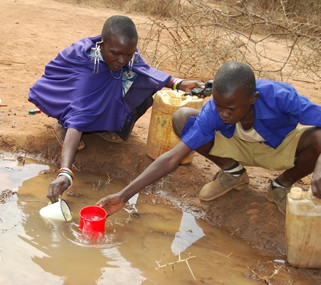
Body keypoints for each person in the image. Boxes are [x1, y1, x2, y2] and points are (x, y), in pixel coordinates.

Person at [97, 61, 321, 216]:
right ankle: (234, 174)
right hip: (236, 147)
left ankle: (280, 185)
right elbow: (172, 158)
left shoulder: (280, 96)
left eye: (230, 109)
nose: (223, 113)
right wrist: (123, 196)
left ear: (253, 98)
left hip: (278, 148)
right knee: (183, 118)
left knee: (317, 138)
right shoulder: (215, 109)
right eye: (218, 105)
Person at [28, 15, 203, 203]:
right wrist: (65, 173)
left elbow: (146, 71)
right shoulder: (87, 68)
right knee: (79, 117)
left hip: (95, 99)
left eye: (128, 54)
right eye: (116, 53)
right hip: (71, 100)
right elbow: (79, 117)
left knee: (145, 85)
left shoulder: (124, 51)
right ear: (102, 45)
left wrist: (180, 84)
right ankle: (63, 127)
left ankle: (106, 128)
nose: (122, 60)